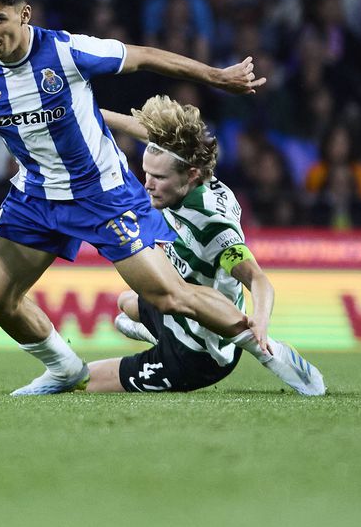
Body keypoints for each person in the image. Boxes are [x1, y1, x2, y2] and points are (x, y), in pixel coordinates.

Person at [0, 0, 267, 396]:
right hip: (35, 197)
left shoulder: (66, 52)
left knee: (169, 297)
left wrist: (217, 76)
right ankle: (65, 367)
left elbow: (144, 56)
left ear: (24, 14)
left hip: (101, 193)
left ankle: (266, 347)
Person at [89, 95, 325, 395]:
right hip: (177, 306)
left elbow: (257, 278)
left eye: (158, 177)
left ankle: (264, 350)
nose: (147, 183)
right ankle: (160, 330)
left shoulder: (211, 225)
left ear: (190, 175)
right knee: (126, 305)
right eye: (147, 173)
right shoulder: (187, 168)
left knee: (83, 381)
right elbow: (149, 133)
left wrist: (260, 324)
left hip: (200, 350)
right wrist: (90, 112)